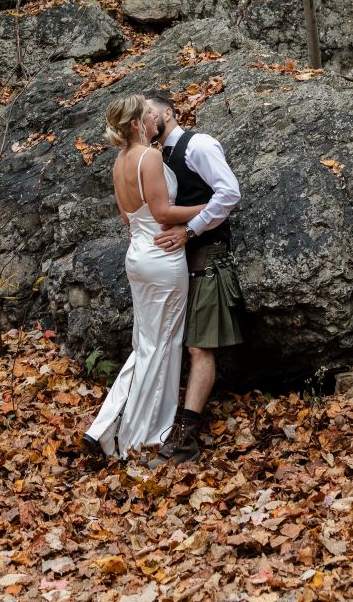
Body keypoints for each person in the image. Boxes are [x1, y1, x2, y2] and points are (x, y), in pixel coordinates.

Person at [82, 95, 207, 461]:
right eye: (149, 114)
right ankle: (143, 437)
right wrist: (211, 206)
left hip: (137, 253)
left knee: (146, 343)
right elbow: (163, 212)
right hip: (163, 256)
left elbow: (128, 219)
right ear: (137, 124)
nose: (156, 117)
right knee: (165, 344)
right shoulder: (149, 157)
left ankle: (103, 427)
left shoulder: (119, 163)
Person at [144, 92, 244, 465]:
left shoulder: (197, 144)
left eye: (148, 112)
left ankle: (187, 439)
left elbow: (229, 192)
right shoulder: (154, 156)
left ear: (168, 113)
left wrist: (190, 230)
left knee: (199, 348)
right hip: (174, 265)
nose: (143, 119)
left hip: (207, 257)